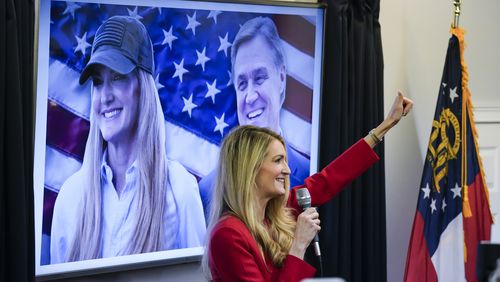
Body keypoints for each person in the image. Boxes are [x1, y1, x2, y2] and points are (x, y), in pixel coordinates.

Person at [201, 92, 413, 281]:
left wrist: (385, 126)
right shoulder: (227, 234)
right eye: (277, 161)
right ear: (250, 169)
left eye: (286, 161)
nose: (287, 170)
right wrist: (299, 243)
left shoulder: (277, 212)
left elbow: (330, 179)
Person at [50, 16, 206, 263]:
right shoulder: (71, 197)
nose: (105, 96)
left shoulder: (179, 189)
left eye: (118, 78)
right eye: (98, 83)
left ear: (142, 88)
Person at [198, 16, 309, 220]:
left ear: (282, 78)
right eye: (242, 84)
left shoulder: (308, 173)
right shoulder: (207, 191)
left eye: (259, 79)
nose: (250, 96)